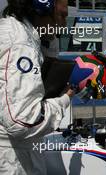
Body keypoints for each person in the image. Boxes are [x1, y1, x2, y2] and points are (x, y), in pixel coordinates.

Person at [0, 0, 74, 174]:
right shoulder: (20, 43)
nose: (63, 25)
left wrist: (50, 40)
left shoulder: (15, 31)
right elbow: (23, 121)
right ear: (41, 8)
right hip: (12, 158)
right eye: (62, 16)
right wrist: (65, 99)